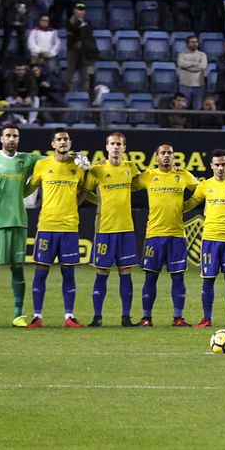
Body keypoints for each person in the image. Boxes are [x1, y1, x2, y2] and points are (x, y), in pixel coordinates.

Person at [0, 123, 43, 327]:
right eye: (8, 135)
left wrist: (75, 156)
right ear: (1, 138)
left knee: (17, 268)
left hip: (19, 221)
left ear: (18, 139)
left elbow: (53, 161)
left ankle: (18, 315)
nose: (11, 139)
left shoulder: (27, 159)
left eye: (15, 136)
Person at [25, 129, 91, 327]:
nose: (63, 142)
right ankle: (37, 316)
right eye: (59, 139)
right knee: (41, 271)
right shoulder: (42, 164)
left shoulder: (79, 166)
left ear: (70, 143)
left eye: (66, 139)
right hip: (47, 225)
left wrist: (72, 206)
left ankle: (68, 316)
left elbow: (85, 191)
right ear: (53, 144)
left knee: (68, 273)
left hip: (69, 227)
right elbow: (28, 189)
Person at [133, 142, 200, 326]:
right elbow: (127, 185)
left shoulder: (182, 174)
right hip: (154, 235)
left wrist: (187, 206)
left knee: (178, 277)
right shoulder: (148, 175)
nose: (167, 156)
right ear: (157, 157)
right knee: (150, 277)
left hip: (177, 235)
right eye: (163, 153)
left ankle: (178, 318)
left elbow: (201, 190)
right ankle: (146, 318)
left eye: (170, 153)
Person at [186, 148, 225, 330]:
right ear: (211, 166)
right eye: (217, 165)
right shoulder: (204, 186)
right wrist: (171, 208)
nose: (220, 168)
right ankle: (207, 319)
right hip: (209, 240)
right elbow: (190, 204)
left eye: (223, 164)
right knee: (208, 281)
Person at [85, 131, 141, 327]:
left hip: (126, 228)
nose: (116, 147)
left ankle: (126, 317)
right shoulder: (96, 170)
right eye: (112, 144)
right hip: (104, 229)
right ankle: (97, 317)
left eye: (119, 144)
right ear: (106, 147)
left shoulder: (131, 168)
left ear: (124, 147)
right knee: (102, 271)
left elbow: (143, 182)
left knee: (125, 271)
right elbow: (84, 191)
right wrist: (99, 202)